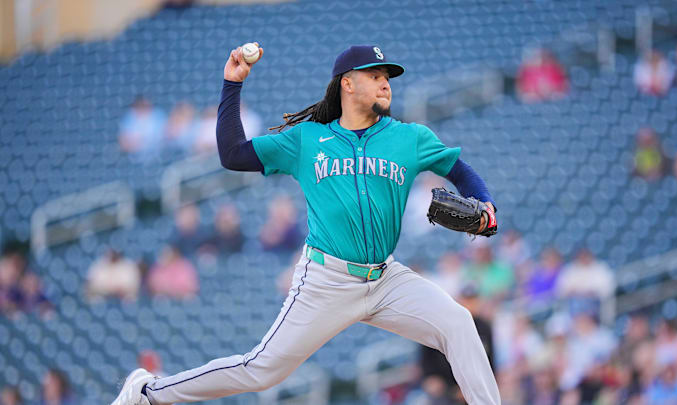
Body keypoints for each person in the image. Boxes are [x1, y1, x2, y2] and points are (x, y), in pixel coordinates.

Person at [112, 44, 500, 405]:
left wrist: (485, 203)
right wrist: (232, 85)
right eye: (375, 74)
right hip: (327, 280)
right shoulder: (308, 139)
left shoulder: (409, 137)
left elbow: (459, 170)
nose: (386, 82)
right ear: (347, 83)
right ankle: (149, 392)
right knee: (261, 370)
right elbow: (232, 155)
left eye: (388, 77)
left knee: (459, 323)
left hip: (386, 279)